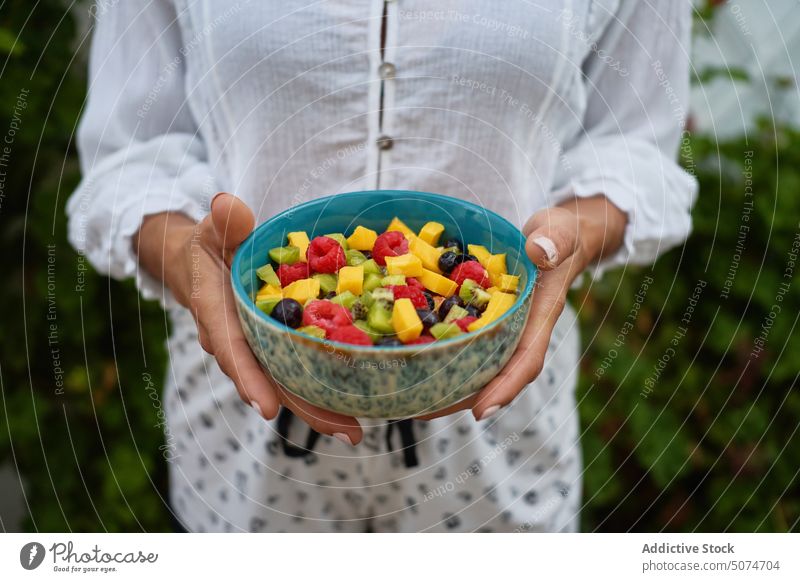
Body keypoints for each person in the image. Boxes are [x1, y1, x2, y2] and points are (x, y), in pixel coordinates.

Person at [67, 0, 696, 532]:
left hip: (499, 438)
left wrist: (574, 234)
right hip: (243, 440)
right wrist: (191, 259)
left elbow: (633, 142)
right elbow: (133, 153)